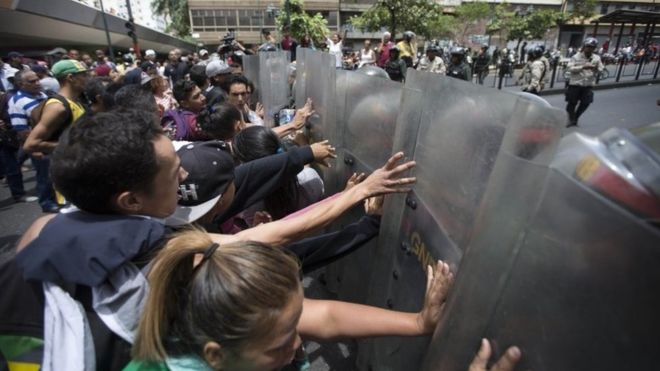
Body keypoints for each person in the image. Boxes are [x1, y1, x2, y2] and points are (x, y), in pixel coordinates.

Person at [1, 109, 416, 370]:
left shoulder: (46, 231)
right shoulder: (160, 255)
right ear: (131, 199)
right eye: (173, 173)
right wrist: (357, 196)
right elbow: (273, 237)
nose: (184, 177)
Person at [126, 227, 454, 370]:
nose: (297, 343)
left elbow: (325, 317)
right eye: (281, 344)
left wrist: (418, 322)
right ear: (215, 356)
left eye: (294, 326)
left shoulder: (217, 326)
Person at [7, 70, 58, 211]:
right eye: (32, 81)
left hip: (53, 142)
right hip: (40, 145)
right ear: (20, 84)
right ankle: (47, 203)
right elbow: (22, 130)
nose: (37, 83)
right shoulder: (17, 102)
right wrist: (35, 149)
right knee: (44, 176)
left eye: (37, 79)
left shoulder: (43, 95)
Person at [24, 59, 89, 154]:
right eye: (83, 75)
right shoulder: (57, 107)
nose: (87, 79)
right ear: (70, 78)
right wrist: (75, 146)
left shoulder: (76, 101)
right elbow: (30, 144)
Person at [565, 37, 603, 127]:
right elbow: (570, 68)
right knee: (571, 103)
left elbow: (601, 69)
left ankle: (576, 118)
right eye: (588, 46)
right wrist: (582, 67)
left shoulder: (597, 58)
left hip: (588, 84)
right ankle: (571, 118)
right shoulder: (576, 57)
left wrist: (596, 68)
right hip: (575, 84)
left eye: (592, 47)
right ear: (584, 46)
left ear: (594, 48)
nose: (589, 48)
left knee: (586, 103)